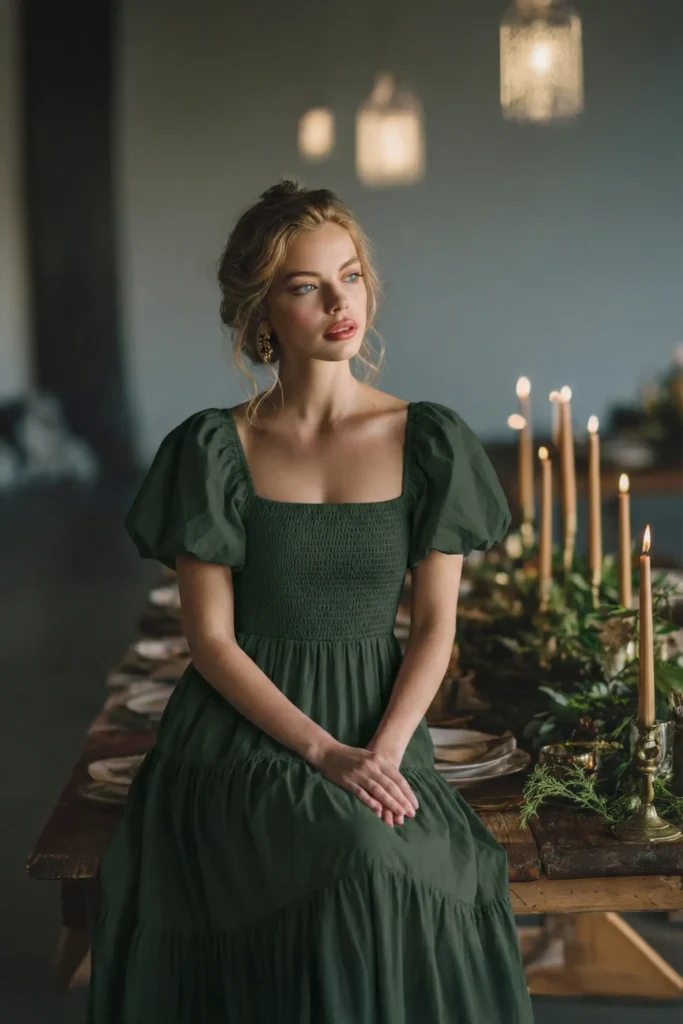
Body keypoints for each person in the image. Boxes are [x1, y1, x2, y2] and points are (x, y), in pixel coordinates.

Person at [87, 180, 534, 1023]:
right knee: (353, 856)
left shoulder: (429, 440)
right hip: (244, 733)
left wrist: (388, 749)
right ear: (262, 313)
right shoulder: (212, 449)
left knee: (405, 863)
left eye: (352, 275)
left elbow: (437, 625)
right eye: (306, 286)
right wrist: (326, 755)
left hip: (381, 724)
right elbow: (211, 642)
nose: (340, 302)